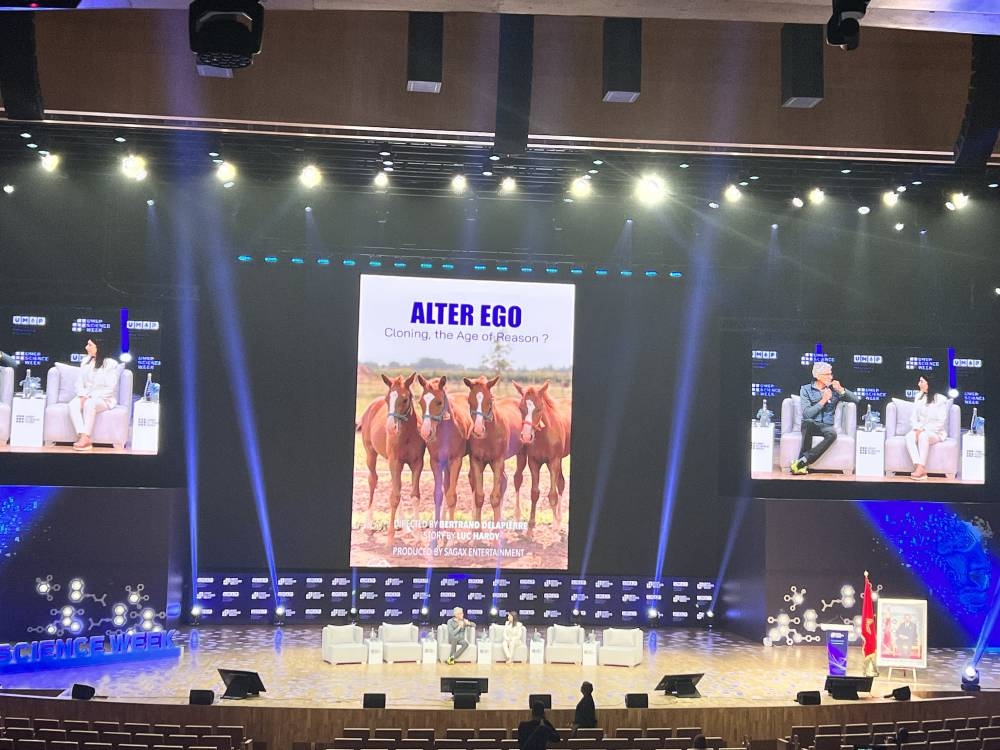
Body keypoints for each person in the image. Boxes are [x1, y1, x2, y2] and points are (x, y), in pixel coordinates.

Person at [790, 361, 860, 474]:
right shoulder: (806, 389)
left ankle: (803, 461)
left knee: (832, 434)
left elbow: (856, 401)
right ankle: (802, 464)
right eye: (827, 374)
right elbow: (807, 414)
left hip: (826, 425)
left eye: (831, 374)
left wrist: (841, 389)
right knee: (807, 422)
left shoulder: (834, 390)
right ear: (817, 376)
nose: (830, 377)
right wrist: (823, 400)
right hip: (811, 423)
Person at [68, 337, 120, 451]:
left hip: (104, 399)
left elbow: (110, 388)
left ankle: (85, 437)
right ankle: (83, 436)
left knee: (89, 404)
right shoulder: (85, 361)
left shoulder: (110, 364)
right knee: (73, 404)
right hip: (86, 395)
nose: (86, 347)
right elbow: (79, 383)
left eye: (90, 345)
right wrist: (82, 395)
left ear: (98, 347)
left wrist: (89, 397)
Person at [905, 375, 948, 481]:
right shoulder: (918, 396)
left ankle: (920, 468)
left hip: (935, 432)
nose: (919, 384)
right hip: (919, 428)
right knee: (909, 436)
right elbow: (913, 417)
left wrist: (924, 430)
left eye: (921, 382)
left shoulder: (940, 399)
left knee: (923, 436)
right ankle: (919, 467)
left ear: (928, 384)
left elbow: (941, 421)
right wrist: (916, 428)